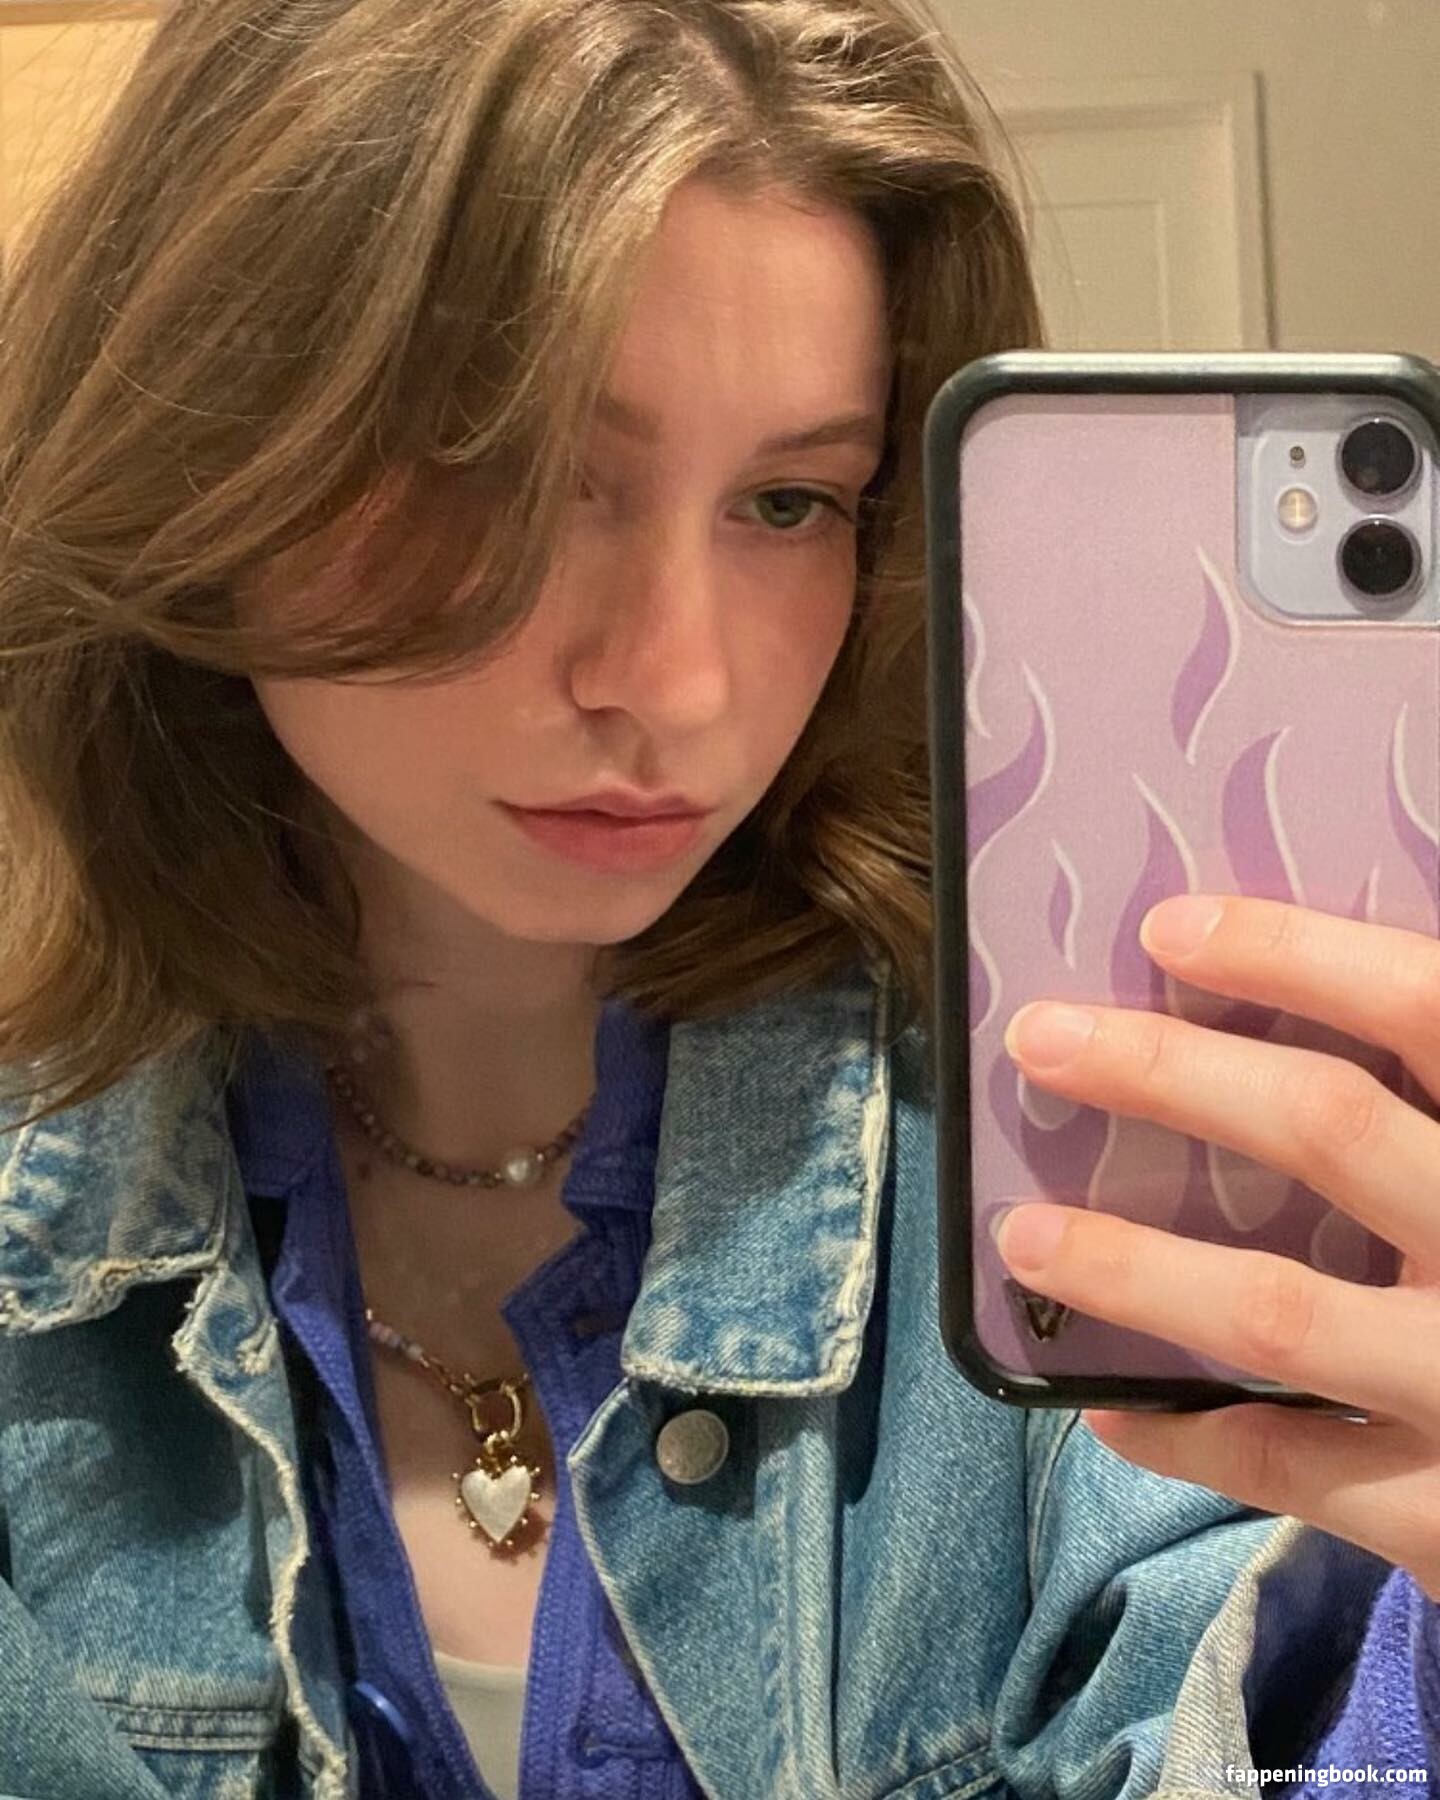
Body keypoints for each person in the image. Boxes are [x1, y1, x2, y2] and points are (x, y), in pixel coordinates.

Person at [0, 0, 1428, 1797]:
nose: (677, 681)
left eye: (789, 502)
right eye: (508, 471)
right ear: (215, 442)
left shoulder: (1058, 1175)